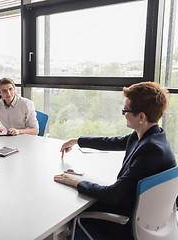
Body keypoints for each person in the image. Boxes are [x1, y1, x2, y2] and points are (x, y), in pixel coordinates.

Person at [55, 81, 176, 240]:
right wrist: (77, 140)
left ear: (141, 116)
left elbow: (113, 195)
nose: (124, 113)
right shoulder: (153, 135)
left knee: (70, 208)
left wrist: (76, 181)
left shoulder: (151, 151)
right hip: (142, 212)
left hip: (125, 223)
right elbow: (111, 142)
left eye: (126, 110)